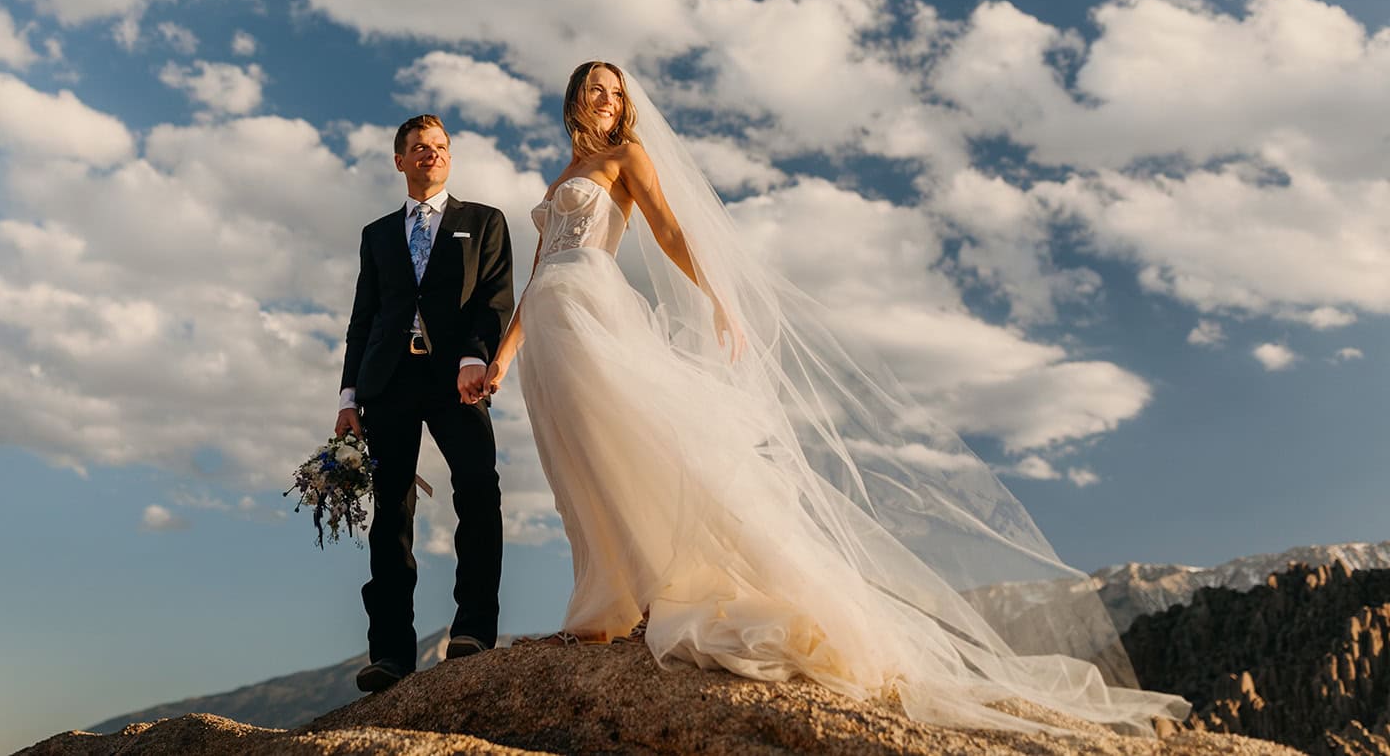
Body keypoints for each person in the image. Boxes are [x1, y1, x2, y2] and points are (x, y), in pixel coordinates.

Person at [482, 62, 1188, 735]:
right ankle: (600, 600)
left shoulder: (627, 155)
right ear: (574, 99)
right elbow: (541, 265)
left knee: (623, 446)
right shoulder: (563, 173)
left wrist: (718, 295)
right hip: (548, 322)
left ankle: (641, 593)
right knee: (572, 455)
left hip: (595, 309)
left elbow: (666, 227)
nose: (604, 99)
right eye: (593, 90)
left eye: (613, 91)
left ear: (623, 104)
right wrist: (504, 359)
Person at [337, 114, 514, 693]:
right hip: (387, 382)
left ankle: (474, 630)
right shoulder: (377, 234)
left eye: (439, 147)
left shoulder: (483, 221)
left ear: (449, 157)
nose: (431, 155)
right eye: (419, 148)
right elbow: (363, 318)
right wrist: (348, 396)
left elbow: (495, 298)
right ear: (400, 161)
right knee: (390, 511)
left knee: (478, 491)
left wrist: (475, 356)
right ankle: (389, 654)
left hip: (456, 378)